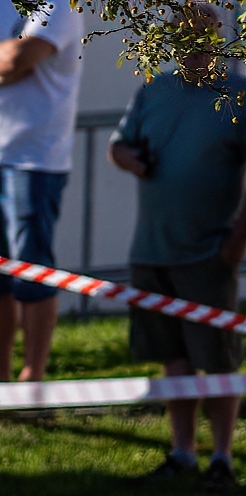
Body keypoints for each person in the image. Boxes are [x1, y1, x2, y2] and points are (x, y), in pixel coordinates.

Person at [108, 3, 246, 492]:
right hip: (152, 250)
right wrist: (128, 158)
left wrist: (238, 241)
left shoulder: (239, 95)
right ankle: (182, 451)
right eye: (184, 38)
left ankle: (222, 456)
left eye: (203, 37)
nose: (194, 48)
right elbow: (118, 145)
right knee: (174, 359)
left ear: (218, 41)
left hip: (209, 253)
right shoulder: (153, 90)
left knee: (218, 360)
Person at [0, 0, 85, 382]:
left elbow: (18, 58)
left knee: (32, 274)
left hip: (34, 160)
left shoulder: (59, 4)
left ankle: (33, 382)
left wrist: (14, 60)